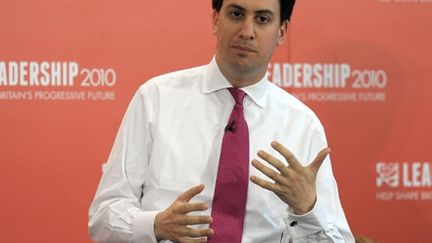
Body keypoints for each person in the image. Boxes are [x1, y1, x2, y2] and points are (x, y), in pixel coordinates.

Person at [88, 0, 355, 242]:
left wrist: (308, 209)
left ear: (282, 31)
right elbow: (103, 218)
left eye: (262, 19)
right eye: (236, 14)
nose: (247, 31)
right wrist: (156, 225)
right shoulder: (156, 98)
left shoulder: (302, 125)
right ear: (216, 19)